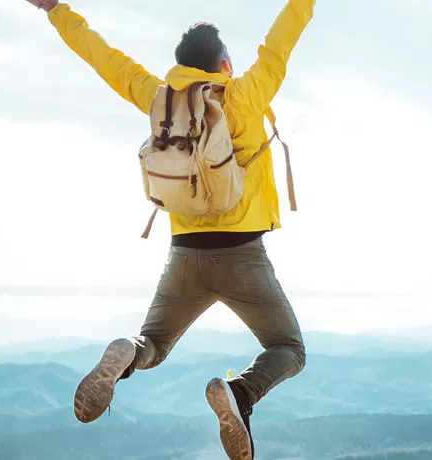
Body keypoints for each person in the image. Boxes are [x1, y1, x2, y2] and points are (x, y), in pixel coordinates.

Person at [23, 0, 314, 458]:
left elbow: (106, 59)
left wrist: (56, 9)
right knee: (288, 349)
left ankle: (128, 353)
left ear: (179, 68)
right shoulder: (245, 94)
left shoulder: (160, 100)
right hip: (242, 257)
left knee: (154, 342)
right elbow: (282, 37)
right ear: (224, 64)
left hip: (183, 255)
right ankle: (240, 394)